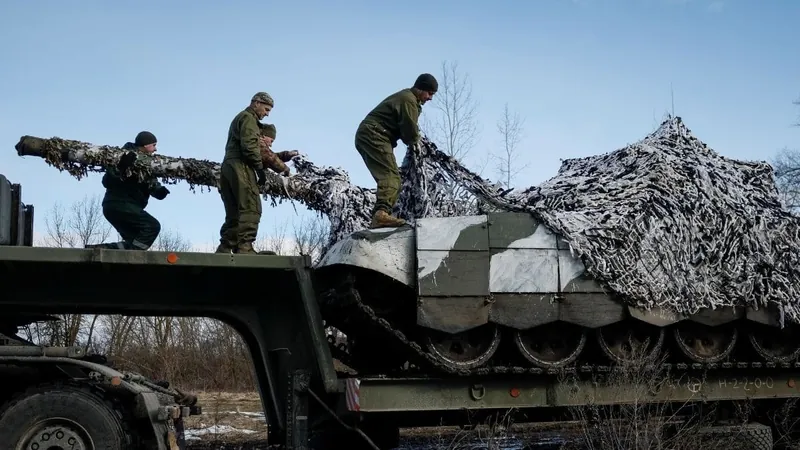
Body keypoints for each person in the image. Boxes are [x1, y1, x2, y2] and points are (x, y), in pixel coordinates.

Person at [355, 73, 438, 228]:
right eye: (430, 93)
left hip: (371, 134)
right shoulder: (408, 100)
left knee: (389, 176)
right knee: (391, 177)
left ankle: (381, 214)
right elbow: (409, 132)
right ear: (421, 89)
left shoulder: (408, 98)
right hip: (375, 134)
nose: (430, 98)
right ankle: (381, 215)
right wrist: (418, 145)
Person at [86, 131, 170, 250]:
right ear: (146, 145)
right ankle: (134, 255)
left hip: (116, 207)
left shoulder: (148, 165)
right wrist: (121, 168)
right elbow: (107, 182)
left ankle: (103, 249)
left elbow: (152, 185)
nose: (155, 149)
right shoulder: (122, 157)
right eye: (154, 145)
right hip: (120, 204)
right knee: (152, 227)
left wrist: (160, 191)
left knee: (134, 240)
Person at [215, 92, 275, 254]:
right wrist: (259, 168)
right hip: (240, 166)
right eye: (266, 109)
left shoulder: (240, 117)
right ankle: (244, 247)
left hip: (228, 166)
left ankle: (226, 247)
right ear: (256, 103)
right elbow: (249, 147)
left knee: (234, 211)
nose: (267, 113)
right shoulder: (248, 118)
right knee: (251, 206)